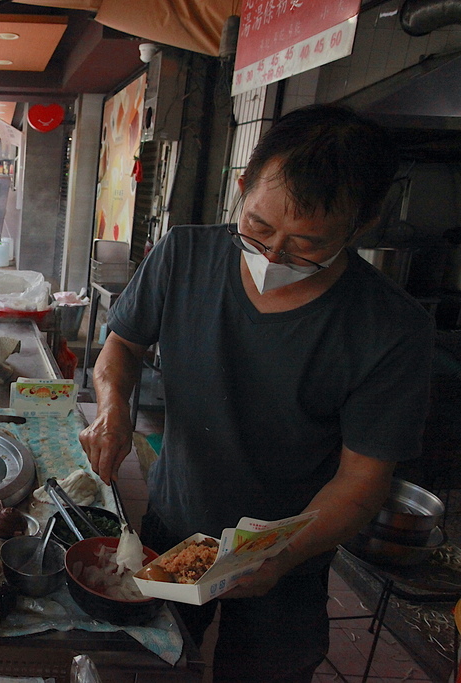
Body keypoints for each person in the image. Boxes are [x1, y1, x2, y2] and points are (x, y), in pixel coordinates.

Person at [78, 104, 433, 682]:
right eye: (259, 228)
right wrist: (114, 410)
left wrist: (282, 554)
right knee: (148, 666)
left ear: (361, 224)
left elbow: (363, 479)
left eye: (307, 244)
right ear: (242, 187)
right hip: (173, 525)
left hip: (287, 556)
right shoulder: (185, 254)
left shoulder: (390, 328)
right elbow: (122, 346)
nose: (272, 255)